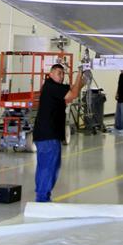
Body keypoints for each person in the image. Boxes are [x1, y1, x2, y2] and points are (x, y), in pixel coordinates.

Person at [32, 62, 84, 202]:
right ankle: (42, 198)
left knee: (49, 165)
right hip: (47, 135)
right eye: (58, 73)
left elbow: (74, 91)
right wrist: (79, 74)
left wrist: (82, 80)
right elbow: (72, 95)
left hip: (49, 134)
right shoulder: (51, 86)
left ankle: (42, 195)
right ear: (51, 74)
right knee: (48, 167)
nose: (61, 76)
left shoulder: (55, 87)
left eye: (63, 74)